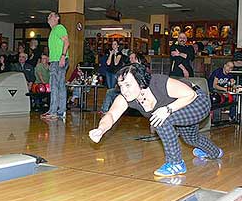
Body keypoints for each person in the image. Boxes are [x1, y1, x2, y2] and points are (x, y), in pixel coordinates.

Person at [89, 63, 223, 177]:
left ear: (141, 82)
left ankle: (175, 163)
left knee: (160, 119)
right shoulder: (125, 98)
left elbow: (190, 94)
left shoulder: (158, 82)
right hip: (178, 109)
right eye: (121, 85)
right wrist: (101, 129)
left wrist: (167, 109)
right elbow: (111, 115)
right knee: (190, 139)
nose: (124, 90)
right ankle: (215, 152)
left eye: (128, 85)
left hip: (197, 101)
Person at [41, 12, 69, 120]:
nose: (48, 17)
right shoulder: (53, 31)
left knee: (55, 85)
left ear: (57, 18)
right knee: (59, 85)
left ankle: (54, 111)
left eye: (51, 15)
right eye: (48, 16)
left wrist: (62, 56)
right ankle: (60, 111)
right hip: (55, 60)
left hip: (59, 60)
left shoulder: (59, 28)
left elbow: (66, 42)